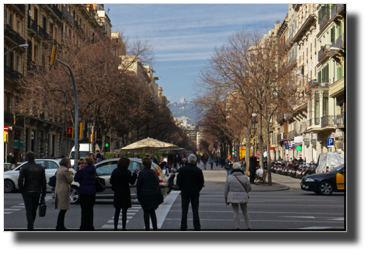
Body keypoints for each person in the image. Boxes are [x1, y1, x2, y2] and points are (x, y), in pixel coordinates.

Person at [18, 151, 46, 231]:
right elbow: (43, 182)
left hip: (27, 191)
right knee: (34, 209)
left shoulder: (24, 167)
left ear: (27, 158)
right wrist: (43, 193)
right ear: (35, 158)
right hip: (37, 191)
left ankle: (30, 226)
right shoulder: (40, 168)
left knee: (29, 209)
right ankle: (31, 224)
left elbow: (20, 180)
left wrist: (22, 190)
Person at [176, 154, 204, 231]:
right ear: (195, 161)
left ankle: (183, 226)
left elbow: (178, 181)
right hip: (195, 192)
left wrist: (182, 188)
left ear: (188, 160)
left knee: (184, 211)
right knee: (195, 211)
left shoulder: (182, 169)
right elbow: (201, 183)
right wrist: (197, 189)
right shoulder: (198, 170)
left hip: (185, 192)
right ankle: (197, 226)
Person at [110, 157, 139, 230]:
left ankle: (115, 227)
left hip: (117, 192)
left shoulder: (115, 171)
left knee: (117, 211)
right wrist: (134, 174)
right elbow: (132, 182)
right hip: (125, 192)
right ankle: (123, 228)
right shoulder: (127, 172)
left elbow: (111, 181)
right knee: (124, 212)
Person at [224, 162, 251, 230]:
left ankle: (237, 227)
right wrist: (244, 192)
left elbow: (226, 190)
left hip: (233, 197)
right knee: (245, 212)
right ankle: (248, 227)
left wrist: (226, 199)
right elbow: (249, 188)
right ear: (240, 168)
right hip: (243, 196)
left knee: (236, 212)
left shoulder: (229, 178)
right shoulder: (245, 177)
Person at [137, 157, 160, 231]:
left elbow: (139, 186)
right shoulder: (153, 172)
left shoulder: (142, 173)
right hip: (153, 195)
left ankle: (147, 228)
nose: (141, 165)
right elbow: (157, 183)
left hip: (145, 195)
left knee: (146, 212)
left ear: (144, 164)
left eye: (142, 164)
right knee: (152, 212)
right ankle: (155, 227)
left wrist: (139, 195)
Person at [74, 156, 96, 230]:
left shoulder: (83, 171)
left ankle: (83, 226)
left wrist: (79, 170)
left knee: (84, 210)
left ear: (86, 163)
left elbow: (76, 178)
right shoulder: (93, 169)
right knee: (90, 209)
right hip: (92, 191)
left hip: (84, 191)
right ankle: (90, 226)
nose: (82, 164)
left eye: (83, 163)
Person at [55, 158, 74, 230]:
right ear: (66, 163)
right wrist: (71, 174)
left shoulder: (60, 169)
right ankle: (60, 225)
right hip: (63, 190)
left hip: (59, 189)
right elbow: (70, 180)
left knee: (62, 209)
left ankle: (60, 225)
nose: (70, 164)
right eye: (69, 163)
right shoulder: (65, 170)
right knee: (63, 209)